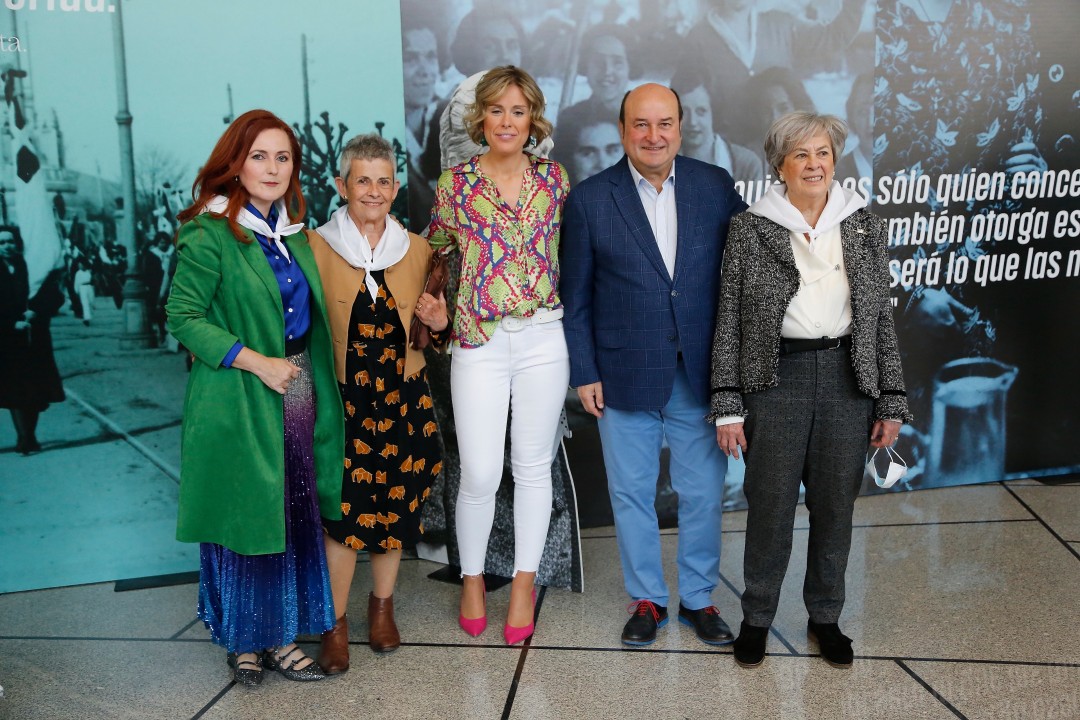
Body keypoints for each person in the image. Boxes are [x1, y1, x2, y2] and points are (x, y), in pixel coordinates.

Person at [709, 111, 912, 668]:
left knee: (835, 509)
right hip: (776, 381)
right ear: (780, 166)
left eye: (822, 153)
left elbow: (880, 321)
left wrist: (891, 399)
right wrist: (727, 404)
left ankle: (825, 617)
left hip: (848, 380)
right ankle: (756, 618)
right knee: (769, 509)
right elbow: (729, 321)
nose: (814, 164)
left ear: (835, 160)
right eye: (801, 154)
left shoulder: (863, 224)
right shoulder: (750, 228)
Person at [561, 83, 747, 647]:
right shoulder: (590, 199)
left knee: (703, 494)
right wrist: (584, 370)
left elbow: (749, 264)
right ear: (623, 131)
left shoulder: (714, 185)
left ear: (680, 128)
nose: (653, 135)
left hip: (699, 371)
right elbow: (576, 297)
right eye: (641, 124)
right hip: (621, 373)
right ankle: (647, 599)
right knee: (631, 494)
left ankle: (699, 599)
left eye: (664, 123)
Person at [166, 109, 344, 686]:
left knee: (289, 513)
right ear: (235, 164)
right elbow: (182, 316)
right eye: (259, 156)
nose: (272, 168)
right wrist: (256, 361)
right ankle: (244, 641)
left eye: (282, 157)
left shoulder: (293, 236)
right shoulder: (210, 231)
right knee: (246, 515)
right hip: (238, 392)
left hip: (296, 389)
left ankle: (282, 637)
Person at [426, 65, 569, 646]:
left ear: (532, 119)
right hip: (478, 341)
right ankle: (473, 578)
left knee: (532, 468)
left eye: (518, 111)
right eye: (496, 110)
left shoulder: (554, 180)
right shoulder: (455, 185)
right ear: (479, 118)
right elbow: (436, 253)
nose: (507, 121)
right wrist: (435, 310)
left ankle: (522, 586)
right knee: (481, 471)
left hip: (543, 337)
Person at [307, 133, 448, 672]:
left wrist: (440, 324)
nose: (373, 190)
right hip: (344, 402)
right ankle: (335, 622)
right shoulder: (314, 247)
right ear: (341, 185)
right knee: (342, 513)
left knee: (394, 506)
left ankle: (382, 607)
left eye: (383, 181)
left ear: (395, 187)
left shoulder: (418, 249)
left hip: (401, 399)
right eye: (362, 180)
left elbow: (436, 332)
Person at [0, 225, 65, 455]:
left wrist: (36, 311)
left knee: (36, 389)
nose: (7, 246)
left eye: (10, 241)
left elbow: (55, 296)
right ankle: (24, 438)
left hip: (35, 337)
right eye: (1, 242)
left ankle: (30, 435)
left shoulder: (31, 265)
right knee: (16, 390)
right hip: (7, 341)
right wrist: (11, 324)